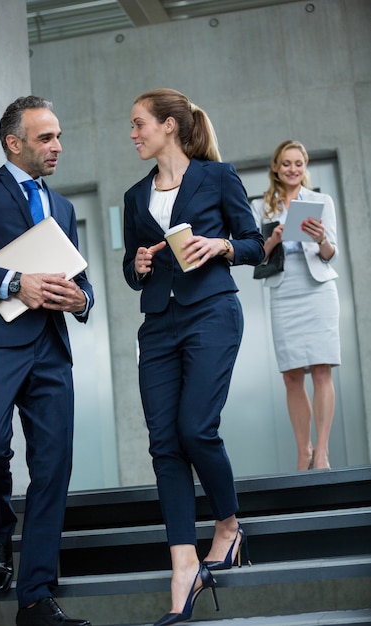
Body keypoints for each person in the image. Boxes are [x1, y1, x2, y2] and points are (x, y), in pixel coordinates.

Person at [123, 88, 264, 626]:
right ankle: (183, 567)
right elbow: (129, 268)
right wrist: (136, 264)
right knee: (164, 444)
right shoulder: (136, 196)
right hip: (158, 325)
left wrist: (220, 246)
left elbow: (252, 242)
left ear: (169, 126)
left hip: (211, 313)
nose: (133, 134)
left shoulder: (218, 176)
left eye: (139, 124)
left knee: (196, 428)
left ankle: (227, 528)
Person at [0, 96, 93, 626]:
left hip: (51, 349)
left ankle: (34, 597)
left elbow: (79, 279)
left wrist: (83, 300)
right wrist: (13, 282)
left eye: (58, 137)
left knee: (53, 466)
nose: (57, 146)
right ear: (14, 143)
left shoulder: (63, 208)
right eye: (45, 138)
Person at [251, 139, 340, 472]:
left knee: (321, 369)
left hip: (317, 287)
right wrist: (273, 238)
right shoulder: (262, 207)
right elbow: (256, 255)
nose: (292, 169)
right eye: (285, 163)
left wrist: (320, 239)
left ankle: (323, 453)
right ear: (275, 167)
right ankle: (304, 451)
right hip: (283, 289)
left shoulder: (320, 200)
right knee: (291, 377)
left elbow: (332, 254)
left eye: (298, 163)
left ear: (305, 166)